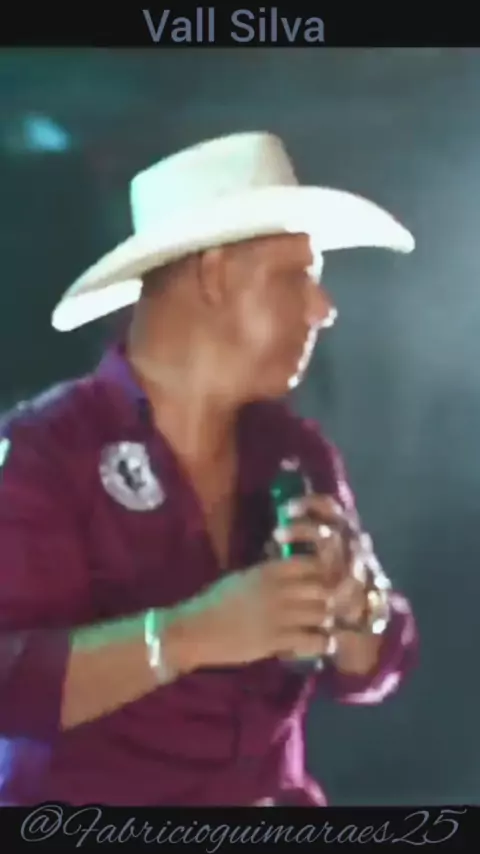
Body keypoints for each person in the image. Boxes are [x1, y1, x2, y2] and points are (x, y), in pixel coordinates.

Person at [0, 131, 417, 806]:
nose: (324, 308)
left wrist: (356, 609)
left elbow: (375, 666)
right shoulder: (45, 452)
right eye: (297, 276)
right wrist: (188, 636)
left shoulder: (295, 453)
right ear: (214, 276)